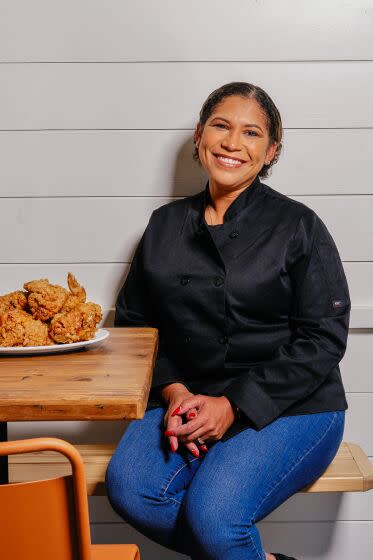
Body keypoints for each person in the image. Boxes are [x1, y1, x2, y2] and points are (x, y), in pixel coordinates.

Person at [105, 82, 350, 560]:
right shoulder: (163, 225)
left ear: (271, 150)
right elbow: (135, 325)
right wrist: (175, 390)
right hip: (188, 394)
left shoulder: (298, 225)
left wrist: (232, 405)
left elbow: (322, 339)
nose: (232, 143)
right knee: (132, 491)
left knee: (214, 516)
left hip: (293, 404)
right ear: (199, 135)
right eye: (220, 125)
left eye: (251, 133)